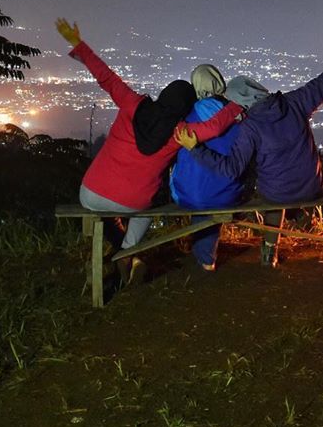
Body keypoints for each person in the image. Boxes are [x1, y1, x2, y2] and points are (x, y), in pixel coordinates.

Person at [57, 19, 243, 267]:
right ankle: (127, 253)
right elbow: (215, 126)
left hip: (90, 193)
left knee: (108, 213)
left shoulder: (132, 104)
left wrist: (78, 44)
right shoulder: (181, 132)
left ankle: (124, 255)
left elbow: (107, 78)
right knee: (143, 212)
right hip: (133, 202)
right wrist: (238, 104)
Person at [175, 34, 323, 264]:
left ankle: (270, 250)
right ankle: (269, 249)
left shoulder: (250, 127)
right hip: (312, 186)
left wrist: (195, 148)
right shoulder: (295, 102)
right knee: (276, 182)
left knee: (272, 192)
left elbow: (230, 169)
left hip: (278, 194)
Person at [169, 63, 245, 271]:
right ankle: (205, 255)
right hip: (227, 194)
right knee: (214, 187)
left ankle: (205, 256)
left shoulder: (188, 116)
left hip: (188, 194)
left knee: (199, 188)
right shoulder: (236, 115)